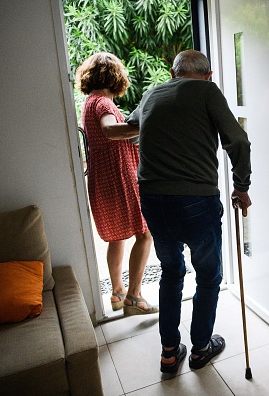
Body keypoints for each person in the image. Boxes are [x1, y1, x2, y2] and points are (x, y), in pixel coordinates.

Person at [126, 50, 252, 373]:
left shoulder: (152, 93)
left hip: (153, 200)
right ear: (208, 75)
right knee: (208, 276)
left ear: (173, 72)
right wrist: (241, 186)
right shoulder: (207, 92)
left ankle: (169, 352)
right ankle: (199, 349)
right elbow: (237, 141)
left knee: (171, 271)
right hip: (196, 200)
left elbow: (129, 125)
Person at [75, 52, 158, 316]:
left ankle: (118, 291)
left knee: (117, 236)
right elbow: (110, 131)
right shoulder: (104, 104)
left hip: (104, 177)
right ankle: (134, 296)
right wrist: (146, 128)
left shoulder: (89, 102)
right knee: (144, 234)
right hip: (120, 176)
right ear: (115, 77)